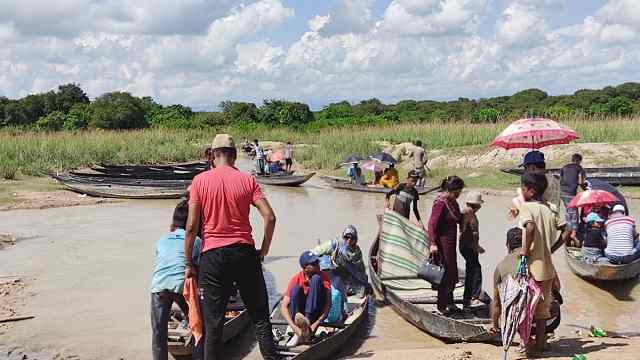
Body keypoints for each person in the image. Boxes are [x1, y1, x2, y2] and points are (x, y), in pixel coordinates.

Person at [184, 134, 279, 360]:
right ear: (234, 156)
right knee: (260, 318)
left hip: (212, 256)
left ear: (212, 155)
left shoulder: (199, 181)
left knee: (213, 326)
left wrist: (188, 262)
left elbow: (190, 227)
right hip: (244, 252)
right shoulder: (247, 180)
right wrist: (263, 251)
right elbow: (271, 217)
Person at [518, 172, 570, 354]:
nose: (521, 191)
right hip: (548, 268)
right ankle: (541, 343)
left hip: (532, 267)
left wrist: (525, 254)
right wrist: (552, 248)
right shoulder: (549, 209)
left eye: (522, 188)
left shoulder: (527, 208)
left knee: (525, 307)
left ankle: (526, 346)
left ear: (531, 191)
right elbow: (566, 230)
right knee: (541, 310)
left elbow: (530, 227)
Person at [490, 228, 563, 342]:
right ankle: (541, 338)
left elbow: (496, 303)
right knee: (548, 299)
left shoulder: (501, 267)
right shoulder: (541, 259)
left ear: (508, 245)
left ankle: (526, 339)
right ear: (528, 242)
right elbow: (557, 287)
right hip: (550, 322)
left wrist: (494, 326)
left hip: (518, 323)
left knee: (513, 302)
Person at [151, 200, 202, 360]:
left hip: (158, 287)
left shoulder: (161, 240)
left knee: (158, 333)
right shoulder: (197, 241)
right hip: (182, 287)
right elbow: (198, 269)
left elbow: (162, 263)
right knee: (197, 327)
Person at [428, 176, 465, 315]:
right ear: (450, 190)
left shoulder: (453, 202)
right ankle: (441, 306)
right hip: (440, 246)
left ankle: (450, 302)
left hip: (450, 246)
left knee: (452, 274)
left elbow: (458, 218)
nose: (459, 194)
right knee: (444, 276)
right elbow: (432, 224)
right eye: (457, 191)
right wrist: (432, 243)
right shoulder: (440, 203)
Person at [280, 251, 332, 347]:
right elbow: (283, 307)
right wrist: (294, 327)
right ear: (305, 268)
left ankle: (307, 325)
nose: (318, 264)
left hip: (314, 315)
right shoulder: (296, 279)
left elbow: (328, 304)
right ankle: (301, 329)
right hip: (299, 318)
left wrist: (317, 323)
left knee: (316, 279)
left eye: (317, 262)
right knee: (295, 289)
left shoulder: (323, 277)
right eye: (314, 264)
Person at [311, 225, 369, 296]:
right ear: (343, 237)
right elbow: (313, 253)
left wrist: (365, 283)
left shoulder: (357, 252)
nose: (349, 240)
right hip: (328, 273)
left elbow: (360, 270)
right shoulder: (334, 244)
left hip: (343, 276)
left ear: (356, 239)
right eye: (347, 237)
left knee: (361, 289)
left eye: (352, 238)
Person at [459, 192, 485, 310]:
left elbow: (465, 230)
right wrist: (476, 246)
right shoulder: (469, 213)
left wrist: (476, 246)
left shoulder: (467, 212)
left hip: (467, 246)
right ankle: (472, 298)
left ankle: (469, 299)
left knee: (473, 271)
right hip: (468, 247)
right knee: (474, 272)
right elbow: (471, 232)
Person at [560, 154, 586, 239]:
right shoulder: (579, 169)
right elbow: (581, 182)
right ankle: (573, 234)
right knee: (574, 213)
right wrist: (586, 189)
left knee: (568, 211)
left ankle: (569, 229)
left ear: (572, 159)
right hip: (570, 192)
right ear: (579, 161)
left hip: (562, 192)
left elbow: (561, 179)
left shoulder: (564, 167)